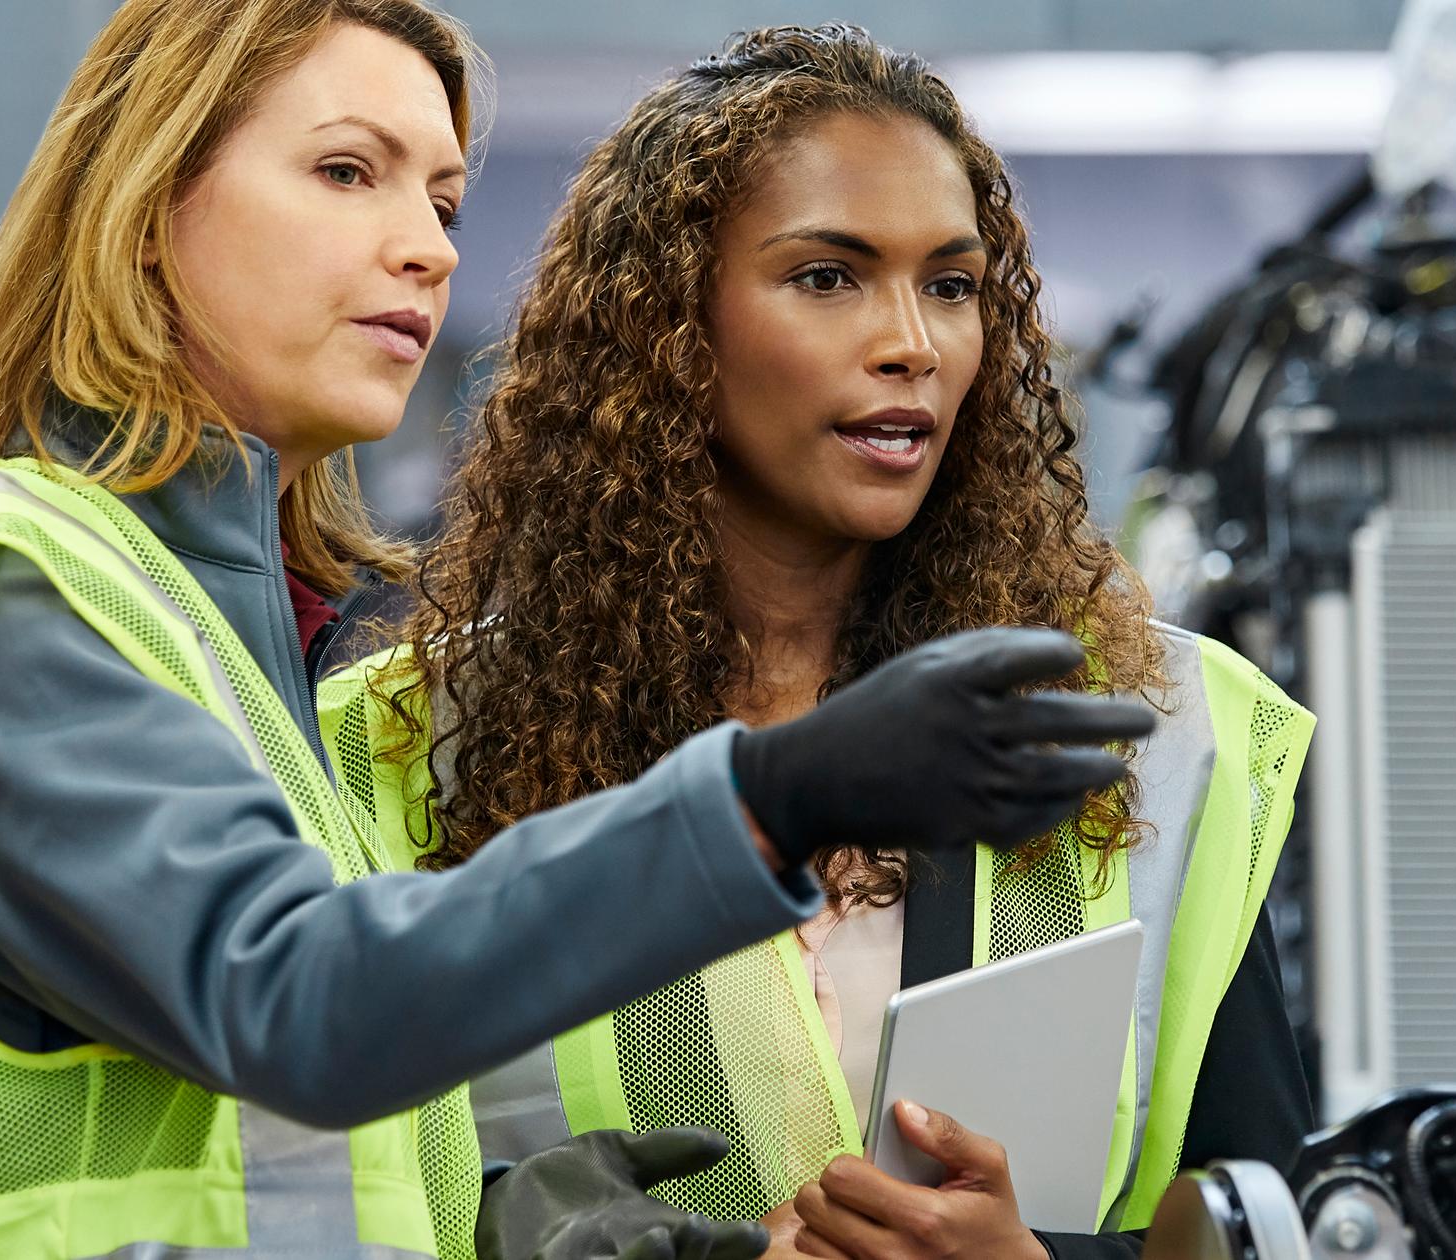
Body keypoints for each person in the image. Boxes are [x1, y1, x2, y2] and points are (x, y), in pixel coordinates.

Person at [0, 5, 1159, 1259]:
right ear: (144, 207)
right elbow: (302, 1003)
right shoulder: (10, 600)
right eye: (349, 173)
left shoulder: (229, 645)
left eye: (444, 204)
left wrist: (514, 1221)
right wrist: (778, 795)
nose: (425, 250)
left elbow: (268, 1156)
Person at [320, 24, 1316, 1260]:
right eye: (826, 278)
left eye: (949, 285)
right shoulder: (406, 749)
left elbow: (1270, 1223)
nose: (911, 342)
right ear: (666, 328)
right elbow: (339, 1204)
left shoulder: (1156, 727)